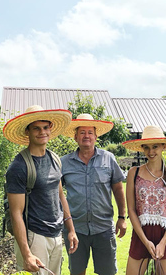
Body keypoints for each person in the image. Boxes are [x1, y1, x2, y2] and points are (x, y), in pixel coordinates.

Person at [3, 105, 79, 275]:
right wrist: (26, 253)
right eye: (36, 128)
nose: (42, 132)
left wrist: (71, 230)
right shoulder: (19, 166)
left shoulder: (54, 159)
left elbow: (60, 195)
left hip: (55, 233)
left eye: (45, 127)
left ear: (50, 129)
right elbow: (16, 213)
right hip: (34, 235)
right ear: (27, 132)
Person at [61, 114, 127, 275]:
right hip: (75, 229)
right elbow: (56, 194)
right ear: (75, 137)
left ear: (96, 136)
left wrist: (122, 217)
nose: (86, 136)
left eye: (90, 132)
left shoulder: (108, 159)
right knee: (77, 272)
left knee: (107, 272)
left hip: (103, 228)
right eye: (82, 132)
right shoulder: (63, 163)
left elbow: (118, 189)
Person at [122, 125, 166, 275]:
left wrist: (163, 243)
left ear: (163, 146)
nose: (151, 152)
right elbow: (131, 209)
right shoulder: (134, 173)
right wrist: (145, 241)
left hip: (165, 235)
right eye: (147, 147)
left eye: (155, 147)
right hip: (140, 234)